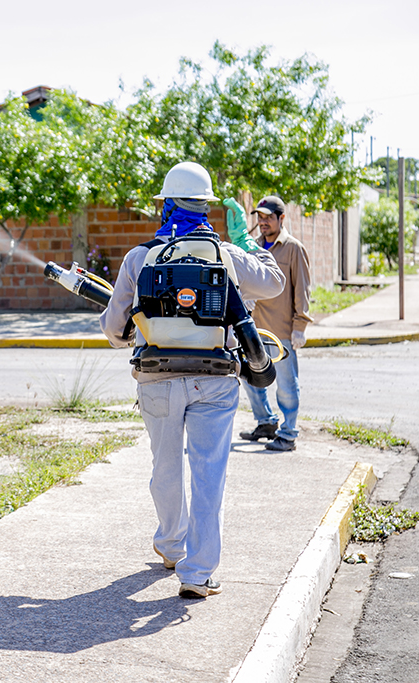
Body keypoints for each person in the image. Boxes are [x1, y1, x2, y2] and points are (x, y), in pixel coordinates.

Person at [100, 162, 284, 599]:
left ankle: (169, 546)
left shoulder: (138, 256)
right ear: (208, 206)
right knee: (208, 473)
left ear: (164, 204)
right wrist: (246, 244)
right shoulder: (227, 253)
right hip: (216, 379)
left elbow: (113, 331)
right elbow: (274, 284)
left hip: (157, 378)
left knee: (164, 466)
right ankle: (198, 573)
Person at [231, 196, 312, 452]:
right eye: (260, 217)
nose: (263, 222)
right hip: (254, 329)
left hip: (282, 330)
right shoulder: (252, 246)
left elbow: (302, 289)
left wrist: (300, 325)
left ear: (281, 218)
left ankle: (288, 433)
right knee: (250, 378)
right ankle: (266, 422)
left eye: (268, 217)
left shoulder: (293, 248)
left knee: (286, 385)